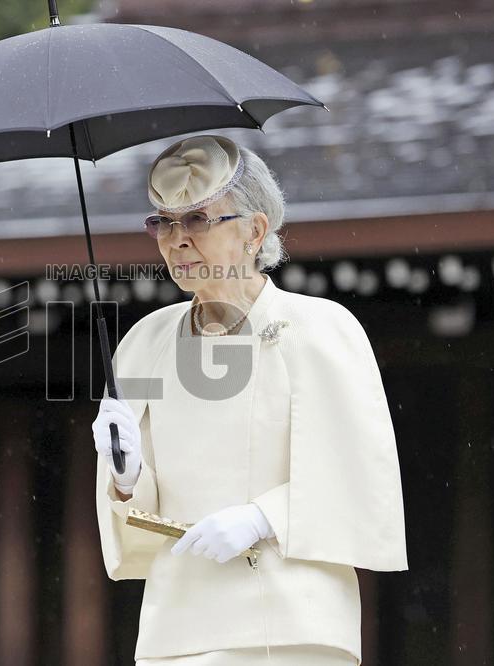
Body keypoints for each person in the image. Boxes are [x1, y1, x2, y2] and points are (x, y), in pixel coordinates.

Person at [92, 135, 409, 665]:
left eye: (197, 220)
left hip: (291, 623)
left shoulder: (321, 327)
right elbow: (143, 522)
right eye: (163, 223)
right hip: (177, 625)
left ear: (254, 230)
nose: (177, 240)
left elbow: (358, 470)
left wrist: (265, 518)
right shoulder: (143, 343)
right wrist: (125, 477)